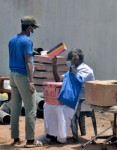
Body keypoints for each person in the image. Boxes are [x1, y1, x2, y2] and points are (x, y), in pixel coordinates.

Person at [43, 48, 95, 143]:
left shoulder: (85, 70)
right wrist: (54, 65)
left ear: (76, 59)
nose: (67, 62)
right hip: (72, 99)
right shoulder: (73, 69)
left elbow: (76, 82)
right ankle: (53, 133)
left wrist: (72, 66)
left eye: (69, 60)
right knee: (48, 105)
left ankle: (61, 137)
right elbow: (59, 80)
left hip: (82, 101)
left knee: (61, 109)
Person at [8, 16, 42, 148]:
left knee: (15, 108)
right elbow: (28, 61)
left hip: (13, 75)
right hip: (23, 76)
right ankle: (30, 140)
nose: (33, 30)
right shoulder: (27, 41)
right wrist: (31, 82)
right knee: (31, 109)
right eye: (33, 28)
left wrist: (32, 53)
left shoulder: (12, 40)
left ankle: (15, 138)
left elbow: (20, 54)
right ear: (29, 27)